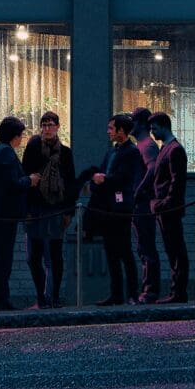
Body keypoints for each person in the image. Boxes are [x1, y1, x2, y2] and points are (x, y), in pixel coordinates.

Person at [88, 117, 143, 304]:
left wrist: (103, 179)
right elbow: (104, 173)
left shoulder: (132, 152)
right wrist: (97, 181)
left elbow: (123, 178)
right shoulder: (112, 152)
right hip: (108, 208)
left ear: (121, 130)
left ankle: (132, 294)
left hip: (121, 208)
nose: (108, 131)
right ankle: (117, 293)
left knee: (125, 251)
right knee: (111, 251)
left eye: (111, 128)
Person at [22, 113, 75, 307]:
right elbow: (25, 176)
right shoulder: (33, 148)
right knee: (33, 256)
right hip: (36, 208)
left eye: (50, 125)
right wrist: (26, 209)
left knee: (54, 255)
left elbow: (70, 182)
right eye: (43, 125)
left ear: (58, 127)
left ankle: (53, 297)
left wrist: (69, 211)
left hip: (56, 208)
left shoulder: (65, 153)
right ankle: (41, 296)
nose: (47, 129)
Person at [140, 110, 191, 303]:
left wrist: (163, 203)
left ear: (163, 127)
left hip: (168, 209)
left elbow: (177, 182)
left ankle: (178, 292)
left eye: (154, 128)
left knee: (176, 251)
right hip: (165, 208)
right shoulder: (167, 148)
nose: (152, 132)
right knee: (173, 250)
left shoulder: (174, 149)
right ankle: (176, 291)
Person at [0, 118, 31, 310]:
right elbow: (13, 184)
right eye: (21, 135)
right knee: (2, 258)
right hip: (4, 213)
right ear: (15, 136)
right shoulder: (6, 153)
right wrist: (30, 180)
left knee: (0, 256)